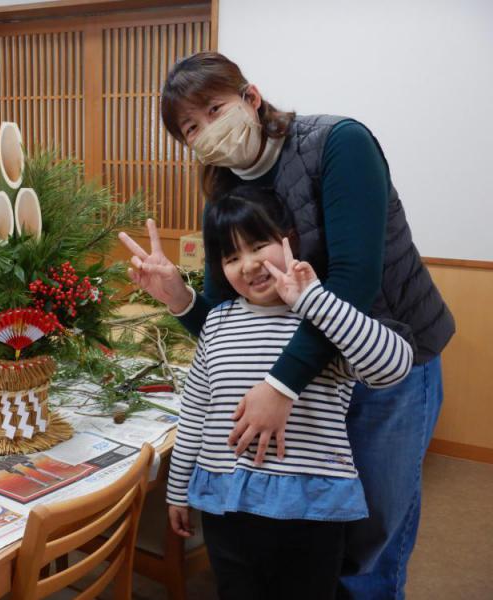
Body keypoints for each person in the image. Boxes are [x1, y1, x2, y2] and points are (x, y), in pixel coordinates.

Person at [118, 52, 454, 599]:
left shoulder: (339, 143)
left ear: (251, 97)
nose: (207, 130)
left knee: (372, 532)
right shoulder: (224, 192)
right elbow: (226, 318)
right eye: (190, 128)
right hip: (308, 376)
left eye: (214, 109)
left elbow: (354, 280)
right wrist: (180, 298)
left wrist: (280, 385)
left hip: (384, 345)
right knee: (324, 529)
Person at [166, 184, 413, 599]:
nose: (248, 265)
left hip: (310, 509)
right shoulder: (217, 322)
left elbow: (394, 365)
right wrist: (177, 490)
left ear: (289, 239)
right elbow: (194, 411)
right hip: (227, 507)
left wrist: (314, 301)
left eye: (258, 245)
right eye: (231, 256)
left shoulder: (322, 319)